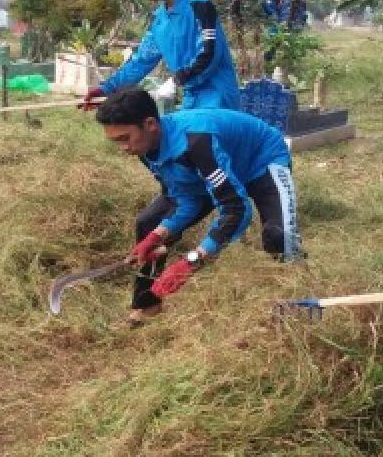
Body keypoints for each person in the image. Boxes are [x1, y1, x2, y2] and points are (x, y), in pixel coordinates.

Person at [95, 87, 302, 324]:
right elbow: (186, 198)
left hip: (260, 160)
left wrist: (192, 261)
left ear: (150, 124)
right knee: (149, 221)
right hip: (212, 168)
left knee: (279, 237)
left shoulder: (197, 141)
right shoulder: (144, 147)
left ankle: (292, 303)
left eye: (124, 138)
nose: (123, 149)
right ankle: (148, 304)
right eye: (115, 142)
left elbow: (236, 209)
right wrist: (157, 235)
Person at [83, 0, 240, 111]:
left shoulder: (199, 6)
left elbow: (209, 55)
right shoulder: (159, 19)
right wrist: (105, 89)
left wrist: (176, 81)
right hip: (191, 100)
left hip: (217, 99)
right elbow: (141, 61)